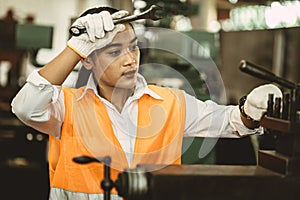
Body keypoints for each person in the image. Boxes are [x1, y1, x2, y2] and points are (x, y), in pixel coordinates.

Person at [11, 6, 282, 200]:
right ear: (88, 60)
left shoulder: (170, 103)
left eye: (133, 46)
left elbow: (231, 122)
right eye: (115, 51)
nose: (131, 59)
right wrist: (75, 46)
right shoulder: (65, 107)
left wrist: (250, 109)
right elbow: (25, 106)